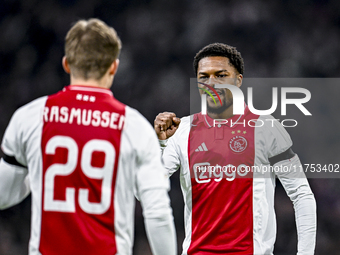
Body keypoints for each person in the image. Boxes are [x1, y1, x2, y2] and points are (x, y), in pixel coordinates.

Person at [0, 18, 177, 255]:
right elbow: (157, 213)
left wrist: (36, 174)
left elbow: (4, 195)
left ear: (66, 64)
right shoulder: (134, 126)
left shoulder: (30, 116)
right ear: (113, 66)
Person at [154, 43, 316, 255]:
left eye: (221, 75)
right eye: (204, 77)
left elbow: (301, 194)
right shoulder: (182, 130)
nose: (211, 83)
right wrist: (161, 144)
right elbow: (147, 192)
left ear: (238, 80)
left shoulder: (265, 127)